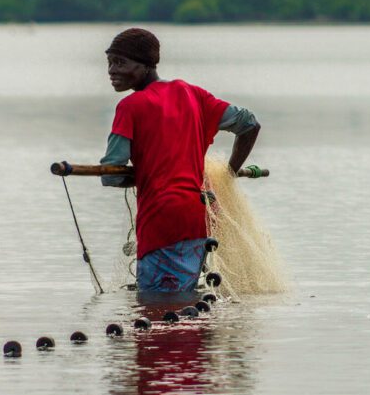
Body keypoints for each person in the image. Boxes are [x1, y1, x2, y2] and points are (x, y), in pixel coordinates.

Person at [101, 27, 260, 293]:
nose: (111, 70)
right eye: (109, 63)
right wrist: (230, 172)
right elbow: (250, 124)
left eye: (120, 62)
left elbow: (110, 173)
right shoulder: (194, 95)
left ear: (146, 65)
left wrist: (138, 174)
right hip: (197, 215)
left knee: (157, 306)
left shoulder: (130, 107)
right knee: (184, 298)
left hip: (160, 219)